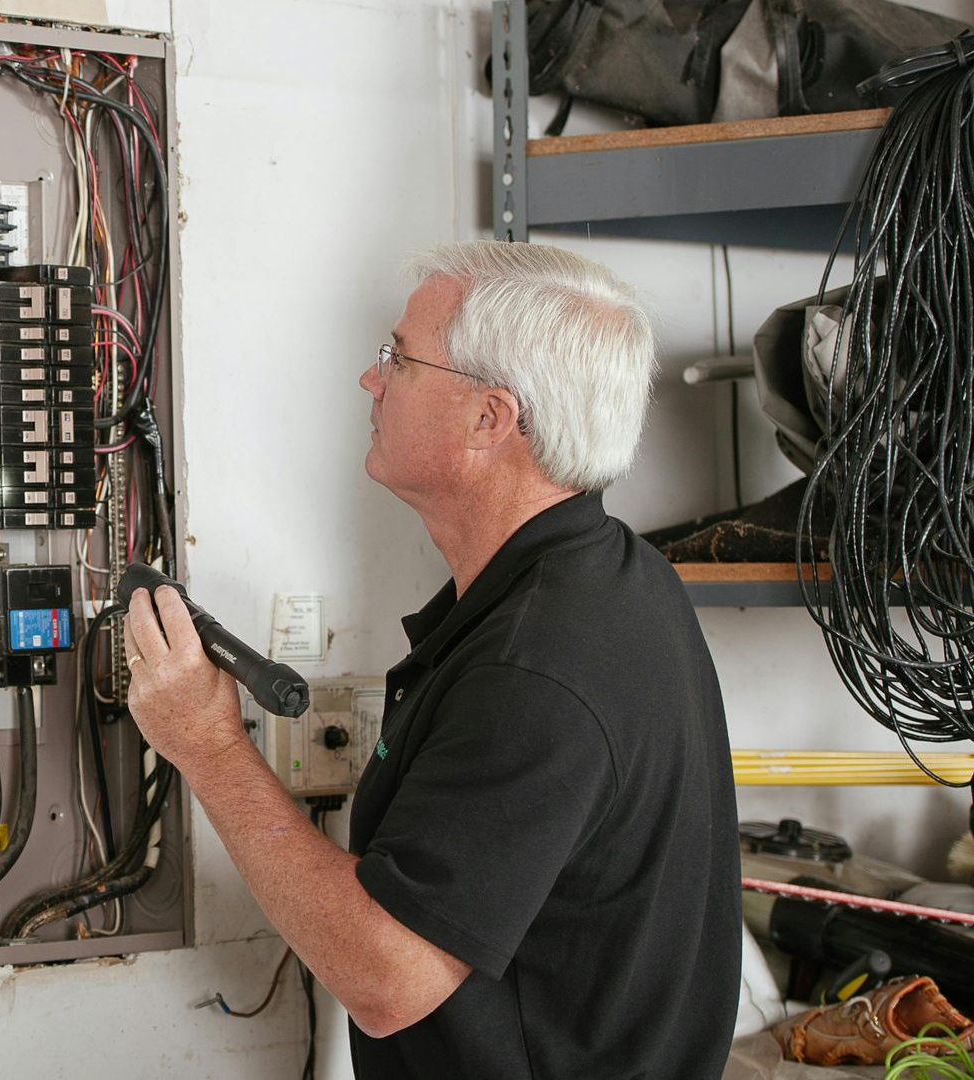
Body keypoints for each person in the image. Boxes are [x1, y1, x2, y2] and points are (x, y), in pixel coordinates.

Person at [123, 241, 740, 1079]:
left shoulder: (536, 669)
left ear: (490, 418)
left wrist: (208, 745)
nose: (370, 381)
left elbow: (387, 978)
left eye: (399, 360)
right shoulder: (618, 577)